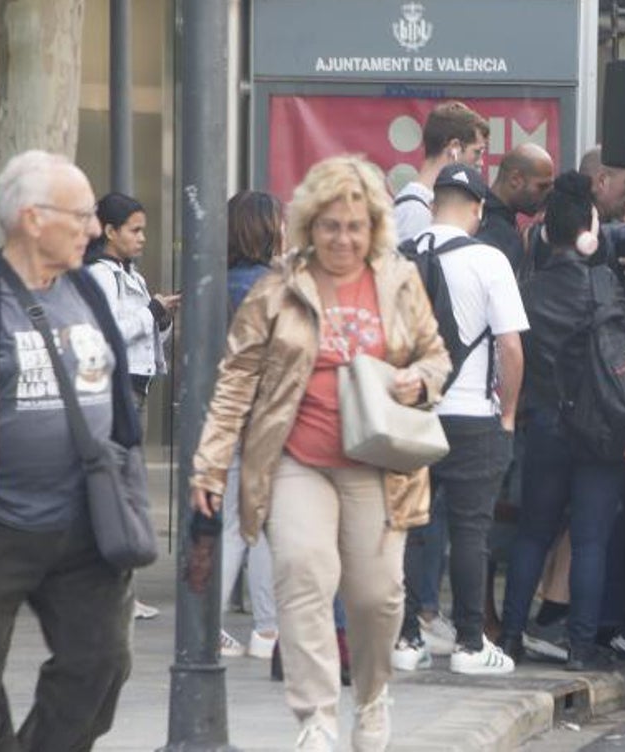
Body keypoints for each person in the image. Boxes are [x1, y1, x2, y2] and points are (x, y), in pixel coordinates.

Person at [190, 155, 451, 752]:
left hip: (377, 464)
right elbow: (235, 381)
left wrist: (420, 381)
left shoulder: (398, 281)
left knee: (376, 595)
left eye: (355, 226)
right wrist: (209, 465)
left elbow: (436, 355)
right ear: (310, 225)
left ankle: (373, 694)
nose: (343, 237)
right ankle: (317, 718)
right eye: (331, 225)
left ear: (373, 228)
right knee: (302, 575)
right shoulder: (278, 287)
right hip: (296, 460)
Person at [0, 150, 143, 750]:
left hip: (83, 522)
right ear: (32, 218)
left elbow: (119, 390)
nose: (90, 228)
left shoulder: (85, 287)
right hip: (1, 524)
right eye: (80, 215)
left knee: (102, 667)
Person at [393, 163, 527, 676]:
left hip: (411, 415)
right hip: (474, 416)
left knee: (408, 528)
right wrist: (509, 414)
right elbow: (511, 346)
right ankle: (471, 644)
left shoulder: (400, 258)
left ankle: (406, 639)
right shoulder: (489, 259)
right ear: (475, 210)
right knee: (471, 530)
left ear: (432, 206)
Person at [499, 172, 625, 672]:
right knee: (591, 539)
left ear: (546, 234)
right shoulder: (605, 286)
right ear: (589, 231)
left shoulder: (528, 291)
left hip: (547, 422)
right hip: (598, 428)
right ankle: (580, 647)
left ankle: (511, 636)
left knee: (533, 532)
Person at [84, 193, 179, 622]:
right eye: (135, 230)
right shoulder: (101, 277)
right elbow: (106, 335)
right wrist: (150, 313)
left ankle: (120, 590)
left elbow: (143, 338)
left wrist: (160, 317)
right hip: (113, 390)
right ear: (109, 231)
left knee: (125, 489)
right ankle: (117, 592)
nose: (142, 238)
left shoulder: (130, 275)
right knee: (119, 492)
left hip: (133, 387)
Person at [217, 190, 282, 660]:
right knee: (257, 525)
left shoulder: (216, 284)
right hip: (261, 417)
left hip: (224, 413)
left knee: (234, 524)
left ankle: (216, 624)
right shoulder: (268, 287)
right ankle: (267, 628)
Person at [393, 101, 489, 242]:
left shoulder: (419, 206)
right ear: (454, 147)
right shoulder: (414, 211)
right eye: (477, 152)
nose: (481, 162)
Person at [480, 143, 555, 272]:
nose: (547, 195)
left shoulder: (495, 221)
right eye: (542, 187)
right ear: (515, 179)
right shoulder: (490, 229)